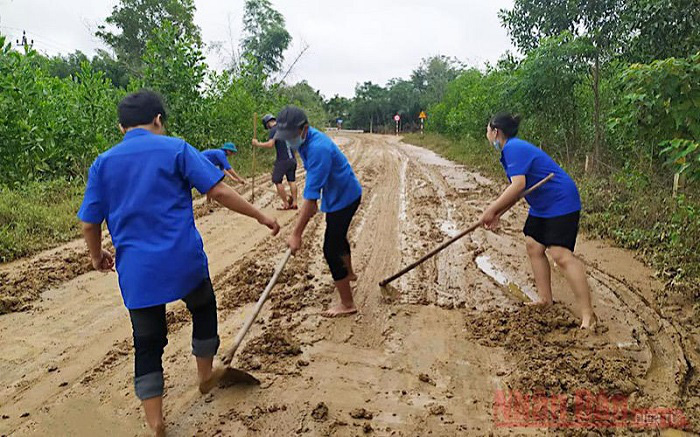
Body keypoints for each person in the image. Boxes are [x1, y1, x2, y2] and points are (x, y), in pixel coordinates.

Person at [77, 90, 280, 437]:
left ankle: (156, 422)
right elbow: (218, 192)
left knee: (147, 341)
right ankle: (205, 374)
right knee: (203, 307)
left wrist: (97, 257)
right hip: (183, 261)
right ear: (158, 119)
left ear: (120, 127)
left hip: (138, 272)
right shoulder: (176, 148)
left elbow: (89, 222)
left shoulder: (103, 163)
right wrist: (261, 216)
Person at [480, 113, 596, 329]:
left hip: (561, 201)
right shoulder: (510, 151)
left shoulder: (513, 148)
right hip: (542, 205)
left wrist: (491, 209)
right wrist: (497, 214)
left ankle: (588, 316)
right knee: (534, 245)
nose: (487, 135)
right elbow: (520, 190)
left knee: (561, 255)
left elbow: (517, 185)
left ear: (496, 132)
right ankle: (545, 299)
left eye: (487, 131)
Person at [275, 105, 362, 317]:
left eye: (291, 135)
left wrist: (296, 234)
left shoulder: (318, 149)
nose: (288, 141)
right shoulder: (305, 141)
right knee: (338, 237)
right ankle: (348, 273)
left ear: (304, 129)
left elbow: (311, 202)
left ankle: (347, 303)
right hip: (338, 195)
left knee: (331, 249)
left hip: (345, 197)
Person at [252, 114, 299, 210]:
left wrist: (258, 144)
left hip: (283, 160)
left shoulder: (274, 130)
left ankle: (286, 204)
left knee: (277, 180)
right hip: (292, 159)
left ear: (267, 124)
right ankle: (294, 202)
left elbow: (270, 144)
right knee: (292, 181)